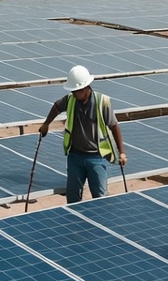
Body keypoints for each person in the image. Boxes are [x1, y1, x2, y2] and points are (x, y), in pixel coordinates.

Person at [39, 65, 126, 204]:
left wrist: (121, 152)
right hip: (75, 156)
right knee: (73, 197)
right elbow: (56, 106)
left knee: (99, 197)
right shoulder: (70, 99)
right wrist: (46, 124)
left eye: (77, 91)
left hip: (96, 157)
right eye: (72, 91)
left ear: (86, 88)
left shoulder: (102, 102)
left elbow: (114, 125)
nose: (74, 93)